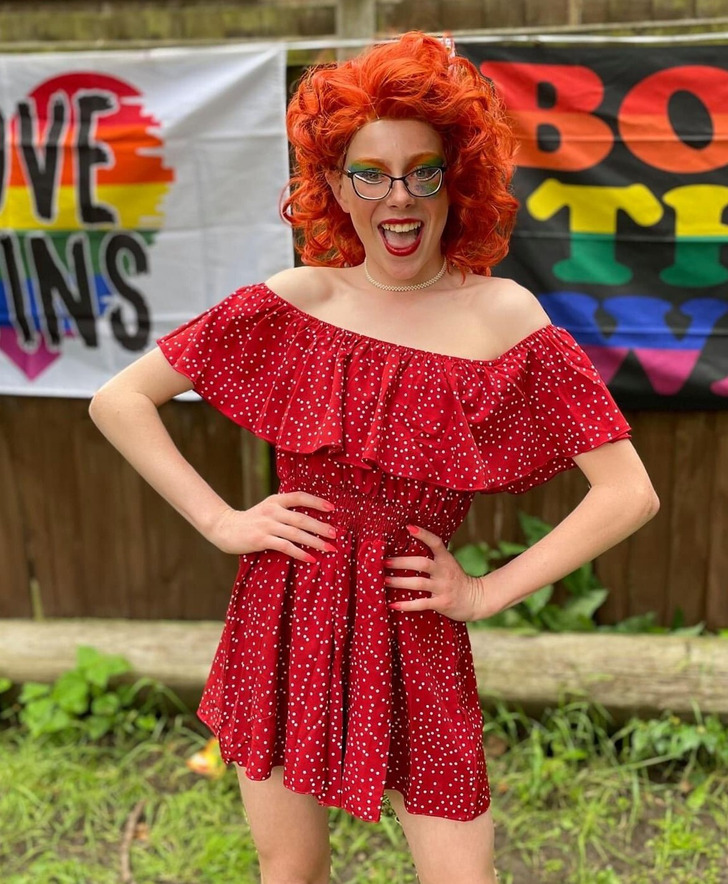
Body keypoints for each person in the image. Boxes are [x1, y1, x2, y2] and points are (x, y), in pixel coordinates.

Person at [89, 31, 659, 884]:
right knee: (292, 874)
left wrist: (487, 591)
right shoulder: (298, 301)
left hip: (416, 627)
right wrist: (221, 520)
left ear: (453, 179)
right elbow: (119, 399)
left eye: (421, 170)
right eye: (370, 172)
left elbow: (628, 493)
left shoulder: (503, 315)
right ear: (332, 185)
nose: (398, 195)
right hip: (285, 617)